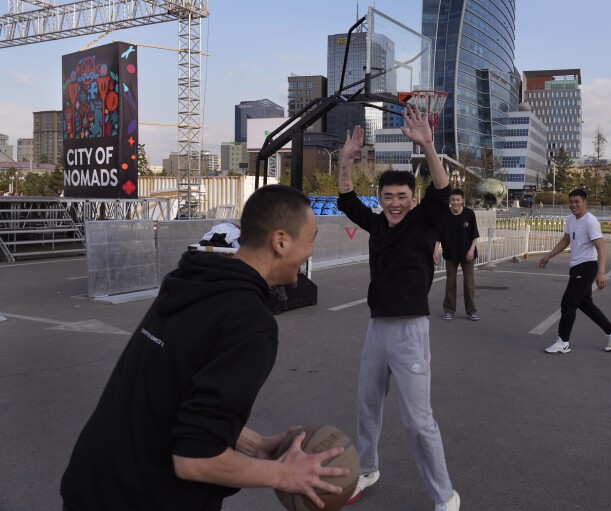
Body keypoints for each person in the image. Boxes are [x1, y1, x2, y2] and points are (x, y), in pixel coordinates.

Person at [61, 185, 349, 511]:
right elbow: (194, 461)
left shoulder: (191, 281)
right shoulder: (250, 324)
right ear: (280, 242)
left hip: (92, 483)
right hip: (141, 497)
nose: (311, 251)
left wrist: (253, 445)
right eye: (310, 240)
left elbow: (172, 391)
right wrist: (284, 474)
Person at [337, 105, 460, 511]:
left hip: (410, 332)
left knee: (417, 421)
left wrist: (427, 145)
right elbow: (346, 199)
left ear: (412, 200)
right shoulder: (376, 224)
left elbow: (441, 190)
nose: (394, 203)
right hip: (377, 330)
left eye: (401, 197)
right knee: (366, 408)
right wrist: (344, 162)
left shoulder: (424, 222)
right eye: (388, 197)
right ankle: (368, 467)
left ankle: (445, 495)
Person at [538, 188, 611, 354]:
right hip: (576, 266)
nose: (573, 205)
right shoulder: (571, 219)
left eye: (577, 201)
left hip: (587, 266)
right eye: (571, 201)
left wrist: (601, 272)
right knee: (584, 304)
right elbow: (566, 240)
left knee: (568, 304)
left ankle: (563, 342)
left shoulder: (590, 221)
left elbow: (601, 249)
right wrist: (549, 255)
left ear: (585, 202)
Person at [435, 188, 480, 321]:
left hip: (467, 254)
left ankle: (471, 311)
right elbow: (438, 236)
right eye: (453, 200)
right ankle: (449, 310)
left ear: (462, 201)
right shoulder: (444, 214)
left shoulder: (469, 214)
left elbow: (475, 235)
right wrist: (434, 252)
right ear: (450, 200)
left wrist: (471, 250)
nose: (455, 202)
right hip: (450, 254)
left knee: (469, 283)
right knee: (450, 283)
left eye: (458, 200)